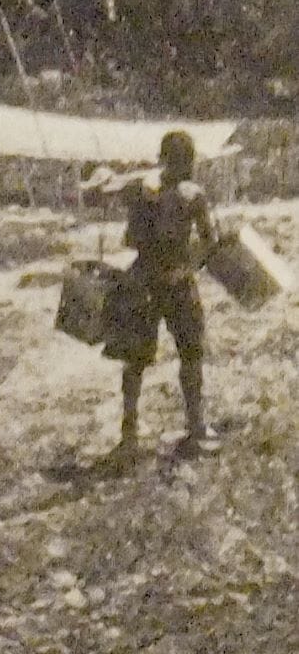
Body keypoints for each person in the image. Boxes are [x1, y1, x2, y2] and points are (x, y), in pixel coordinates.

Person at [112, 130, 220, 457]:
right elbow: (209, 241)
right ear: (190, 161)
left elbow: (128, 237)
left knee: (135, 358)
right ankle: (196, 425)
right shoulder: (193, 194)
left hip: (143, 280)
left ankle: (129, 430)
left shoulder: (142, 188)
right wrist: (188, 267)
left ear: (162, 158)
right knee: (191, 353)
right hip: (177, 281)